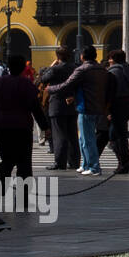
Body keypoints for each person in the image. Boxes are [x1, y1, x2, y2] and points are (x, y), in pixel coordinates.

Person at [0, 53, 49, 193]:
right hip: (22, 126)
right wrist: (45, 126)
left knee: (6, 160)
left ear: (8, 67)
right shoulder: (27, 84)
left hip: (3, 125)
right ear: (23, 68)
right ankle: (23, 197)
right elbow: (36, 108)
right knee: (24, 163)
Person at [47, 45, 111, 175]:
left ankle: (94, 167)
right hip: (98, 106)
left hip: (85, 106)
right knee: (82, 138)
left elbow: (67, 84)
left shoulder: (82, 69)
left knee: (88, 139)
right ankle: (85, 164)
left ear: (82, 56)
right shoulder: (101, 69)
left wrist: (51, 89)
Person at [39, 47, 79, 170]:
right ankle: (74, 162)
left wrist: (52, 65)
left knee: (59, 135)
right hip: (72, 104)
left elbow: (43, 79)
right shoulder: (75, 68)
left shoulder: (56, 69)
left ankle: (60, 162)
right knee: (72, 135)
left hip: (57, 105)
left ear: (58, 57)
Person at [106, 50, 129, 174]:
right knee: (123, 135)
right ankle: (127, 160)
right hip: (128, 105)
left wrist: (107, 110)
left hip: (116, 106)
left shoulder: (113, 72)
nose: (109, 61)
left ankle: (122, 163)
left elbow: (110, 92)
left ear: (113, 59)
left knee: (114, 137)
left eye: (109, 59)